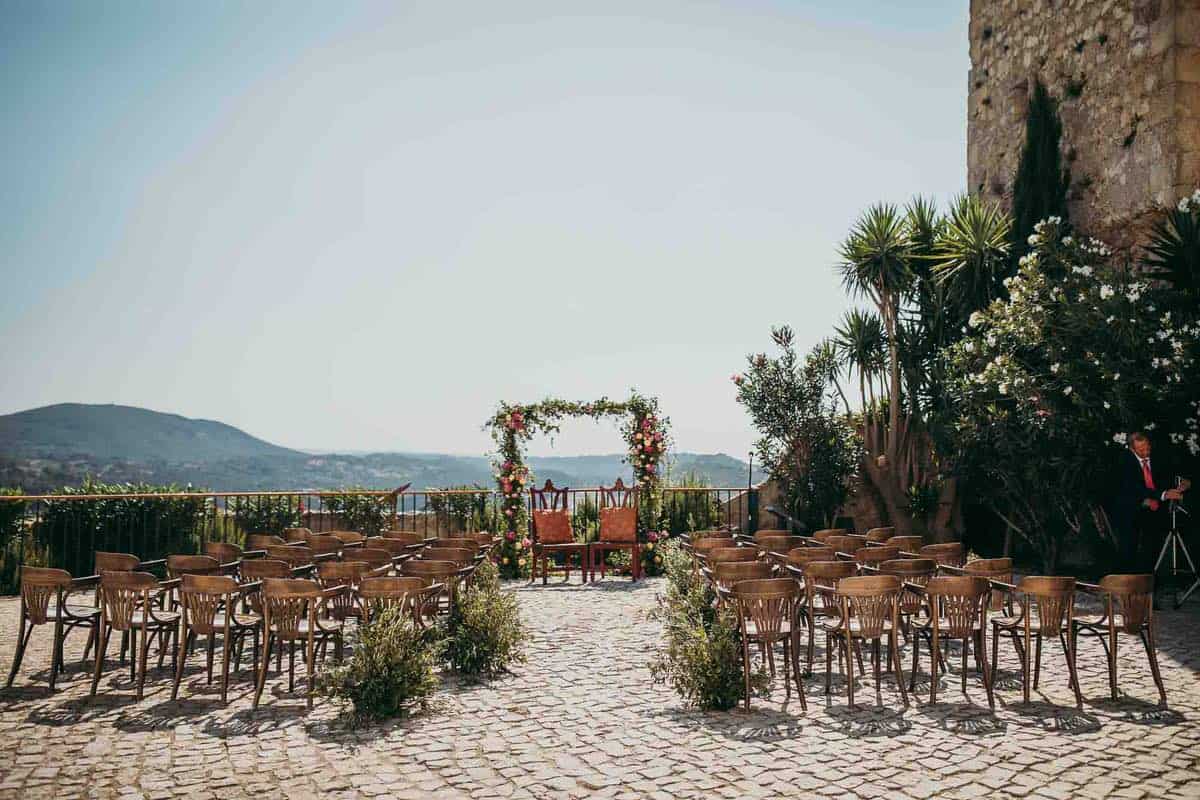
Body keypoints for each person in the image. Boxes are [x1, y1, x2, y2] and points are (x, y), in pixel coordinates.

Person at [1109, 431, 1190, 573]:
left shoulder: (1159, 456)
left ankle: (1150, 574)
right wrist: (1163, 495)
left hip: (1157, 504)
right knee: (1129, 543)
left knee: (1154, 540)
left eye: (1147, 447)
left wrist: (1185, 481)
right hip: (1131, 504)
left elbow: (1172, 471)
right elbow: (1133, 489)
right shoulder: (1124, 461)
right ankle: (1126, 578)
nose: (1146, 452)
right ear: (1132, 449)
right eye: (1141, 450)